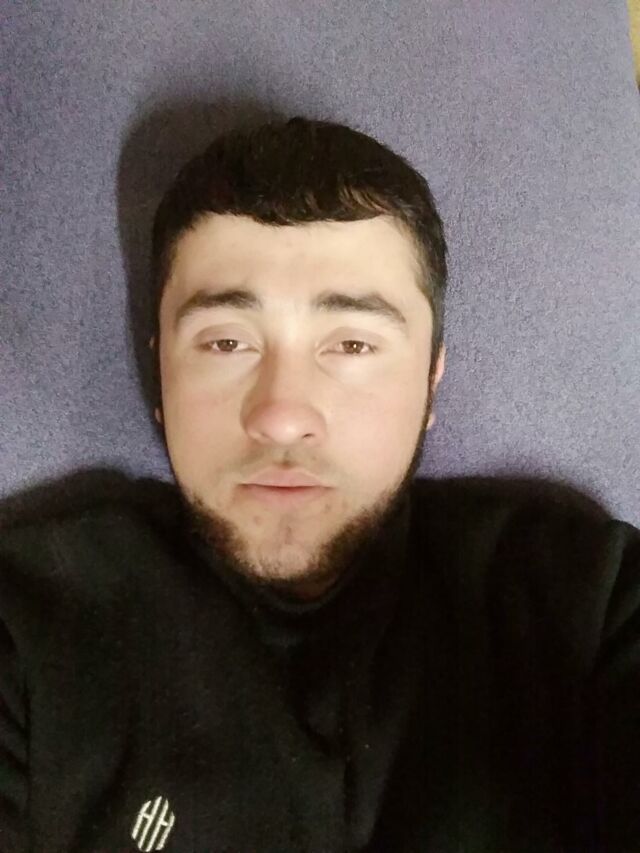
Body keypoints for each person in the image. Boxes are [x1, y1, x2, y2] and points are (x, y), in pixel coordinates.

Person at [0, 115, 638, 852]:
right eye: (226, 341)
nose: (281, 415)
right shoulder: (27, 629)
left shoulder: (590, 603)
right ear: (161, 374)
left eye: (353, 344)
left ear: (431, 382)